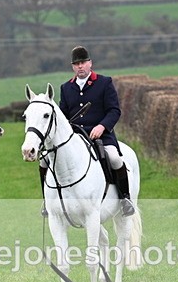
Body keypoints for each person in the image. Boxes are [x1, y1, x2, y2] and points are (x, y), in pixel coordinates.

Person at [39, 45, 135, 217]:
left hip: (101, 135)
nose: (80, 66)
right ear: (72, 66)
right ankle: (47, 202)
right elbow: (63, 117)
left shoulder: (104, 83)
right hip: (75, 137)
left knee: (114, 158)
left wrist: (102, 126)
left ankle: (125, 199)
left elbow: (114, 110)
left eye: (83, 62)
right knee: (45, 160)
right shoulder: (66, 88)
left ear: (90, 63)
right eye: (76, 64)